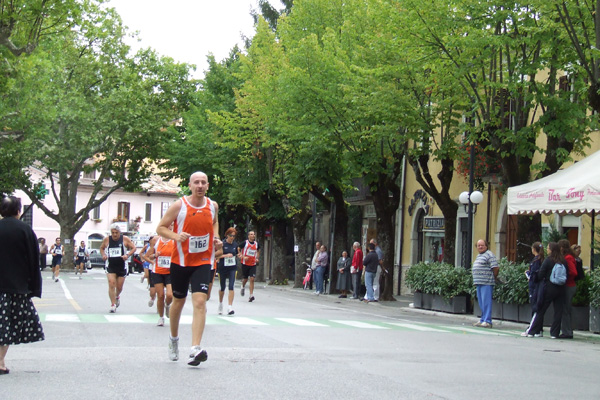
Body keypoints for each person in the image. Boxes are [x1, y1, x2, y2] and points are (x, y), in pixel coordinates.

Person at [156, 171, 222, 366]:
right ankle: (174, 339)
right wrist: (177, 236)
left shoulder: (213, 206)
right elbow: (160, 228)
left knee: (200, 301)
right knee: (178, 302)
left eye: (203, 182)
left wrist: (216, 237)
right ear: (190, 185)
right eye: (196, 183)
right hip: (181, 262)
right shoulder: (180, 205)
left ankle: (195, 348)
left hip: (203, 261)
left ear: (208, 186)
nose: (200, 185)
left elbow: (215, 222)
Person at [0, 196, 45, 375]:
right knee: (6, 326)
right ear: (18, 211)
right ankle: (1, 361)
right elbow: (34, 261)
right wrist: (34, 286)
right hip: (15, 286)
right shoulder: (25, 230)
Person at [524, 242, 566, 339]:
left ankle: (532, 331)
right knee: (558, 311)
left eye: (548, 248)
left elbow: (540, 275)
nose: (547, 250)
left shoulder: (548, 260)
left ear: (551, 250)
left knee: (541, 309)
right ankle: (555, 333)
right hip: (561, 288)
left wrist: (533, 276)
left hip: (549, 287)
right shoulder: (563, 260)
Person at [100, 224, 136, 313]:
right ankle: (113, 304)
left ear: (119, 232)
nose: (114, 235)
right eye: (113, 233)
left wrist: (127, 255)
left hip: (122, 265)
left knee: (119, 287)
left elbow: (134, 248)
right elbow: (102, 248)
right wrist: (104, 255)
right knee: (111, 283)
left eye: (116, 233)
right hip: (111, 265)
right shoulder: (107, 239)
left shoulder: (125, 239)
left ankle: (116, 296)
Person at [144, 232, 174, 327]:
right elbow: (147, 256)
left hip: (170, 272)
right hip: (158, 272)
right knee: (160, 295)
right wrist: (155, 256)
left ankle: (167, 305)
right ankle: (161, 317)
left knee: (169, 295)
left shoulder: (174, 239)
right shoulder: (156, 240)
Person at [472, 239, 499, 328]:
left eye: (482, 245)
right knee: (481, 302)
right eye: (478, 245)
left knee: (486, 302)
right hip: (479, 282)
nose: (480, 247)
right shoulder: (479, 256)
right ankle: (483, 319)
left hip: (486, 282)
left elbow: (495, 267)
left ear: (486, 246)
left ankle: (487, 321)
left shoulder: (489, 255)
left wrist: (493, 277)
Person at [524, 242, 544, 335]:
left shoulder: (536, 261)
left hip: (534, 286)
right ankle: (539, 329)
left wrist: (528, 274)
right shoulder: (541, 259)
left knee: (535, 307)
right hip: (538, 286)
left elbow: (534, 276)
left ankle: (533, 328)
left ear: (534, 249)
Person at [559, 239, 577, 339]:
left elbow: (573, 272)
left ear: (562, 248)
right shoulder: (569, 257)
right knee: (566, 309)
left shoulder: (568, 258)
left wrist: (564, 276)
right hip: (570, 285)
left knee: (566, 309)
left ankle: (567, 332)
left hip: (568, 285)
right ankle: (567, 331)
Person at [218, 227, 238, 315]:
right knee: (222, 287)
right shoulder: (222, 244)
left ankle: (230, 307)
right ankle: (220, 303)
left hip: (232, 268)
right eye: (230, 235)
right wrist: (226, 255)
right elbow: (217, 256)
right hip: (222, 267)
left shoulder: (235, 245)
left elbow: (237, 254)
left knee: (231, 286)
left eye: (233, 236)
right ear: (227, 235)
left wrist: (239, 256)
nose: (232, 237)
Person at [239, 230, 260, 302]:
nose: (252, 235)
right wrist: (242, 256)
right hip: (245, 263)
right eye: (251, 234)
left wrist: (257, 258)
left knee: (252, 278)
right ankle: (243, 286)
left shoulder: (257, 244)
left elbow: (258, 250)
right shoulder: (245, 243)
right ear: (248, 236)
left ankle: (251, 295)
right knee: (245, 279)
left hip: (253, 264)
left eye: (253, 234)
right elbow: (238, 248)